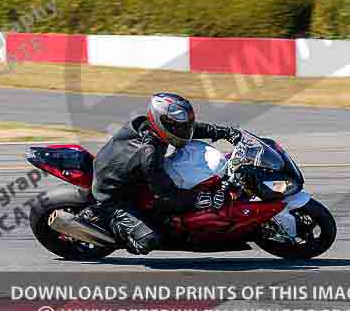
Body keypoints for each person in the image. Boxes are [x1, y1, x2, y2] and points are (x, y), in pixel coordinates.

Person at [74, 92, 241, 255]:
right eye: (178, 127)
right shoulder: (149, 154)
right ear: (162, 122)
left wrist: (225, 132)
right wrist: (197, 199)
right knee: (149, 240)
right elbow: (166, 194)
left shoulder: (149, 125)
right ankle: (105, 223)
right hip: (112, 195)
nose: (184, 131)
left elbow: (188, 130)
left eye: (185, 126)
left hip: (123, 173)